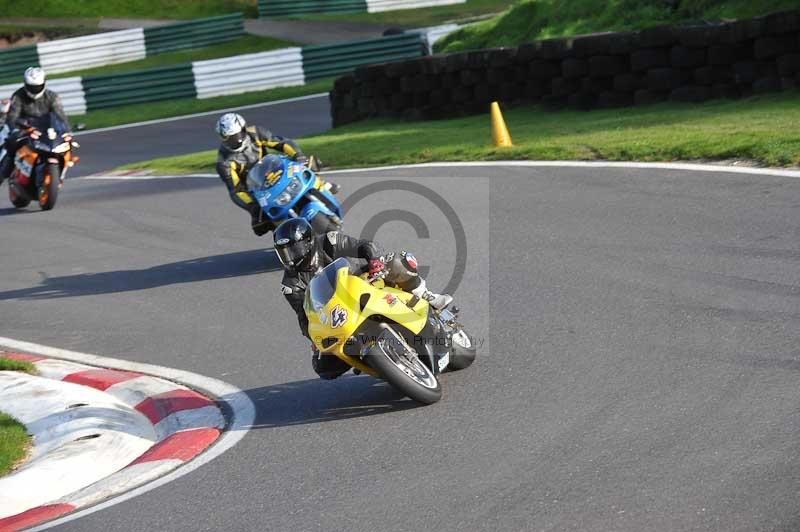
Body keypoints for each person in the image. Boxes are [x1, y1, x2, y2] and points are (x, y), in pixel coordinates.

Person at [273, 217, 453, 380]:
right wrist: (313, 338)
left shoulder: (329, 241)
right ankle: (375, 363)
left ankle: (426, 295)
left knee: (398, 260)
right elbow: (304, 315)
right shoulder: (290, 285)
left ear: (309, 242)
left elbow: (364, 246)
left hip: (363, 281)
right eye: (285, 253)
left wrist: (374, 260)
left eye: (294, 250)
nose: (290, 257)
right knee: (323, 366)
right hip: (337, 312)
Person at [214, 112, 338, 236]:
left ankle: (321, 186)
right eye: (229, 137)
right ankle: (285, 237)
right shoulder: (224, 162)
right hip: (256, 189)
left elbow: (281, 143)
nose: (235, 140)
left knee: (308, 165)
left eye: (237, 135)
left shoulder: (255, 132)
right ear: (222, 138)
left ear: (243, 129)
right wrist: (252, 206)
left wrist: (297, 155)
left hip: (276, 169)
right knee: (260, 224)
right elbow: (236, 190)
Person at [0, 67, 71, 185]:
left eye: (37, 86)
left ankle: (59, 172)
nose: (34, 90)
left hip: (45, 129)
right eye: (31, 87)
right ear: (25, 84)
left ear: (44, 83)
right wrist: (18, 129)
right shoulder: (18, 96)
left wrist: (67, 131)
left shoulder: (52, 97)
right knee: (11, 143)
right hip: (24, 128)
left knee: (66, 145)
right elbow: (12, 118)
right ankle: (5, 171)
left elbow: (60, 116)